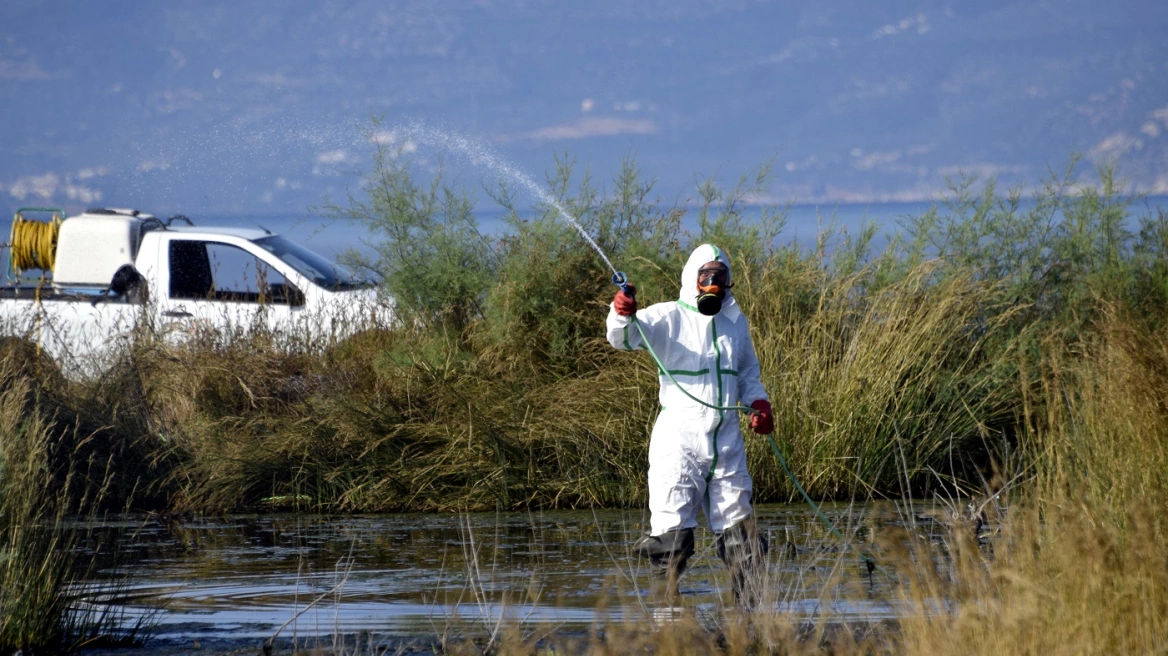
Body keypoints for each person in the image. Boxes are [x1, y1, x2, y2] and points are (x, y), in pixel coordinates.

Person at [606, 243, 774, 609]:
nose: (713, 282)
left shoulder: (734, 321)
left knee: (742, 537)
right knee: (671, 538)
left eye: (720, 275)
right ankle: (667, 625)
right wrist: (622, 312)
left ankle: (748, 621)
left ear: (729, 281)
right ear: (692, 279)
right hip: (679, 443)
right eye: (706, 275)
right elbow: (624, 337)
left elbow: (747, 373)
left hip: (726, 442)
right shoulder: (668, 317)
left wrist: (758, 404)